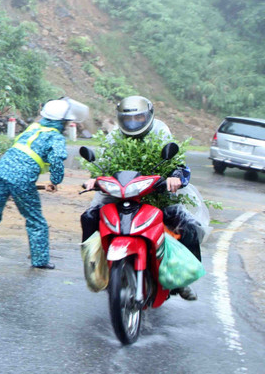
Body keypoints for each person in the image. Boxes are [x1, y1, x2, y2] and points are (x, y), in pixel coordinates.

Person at [80, 95, 202, 301]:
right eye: (128, 119)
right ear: (120, 119)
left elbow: (180, 166)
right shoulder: (113, 138)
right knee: (89, 217)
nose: (133, 123)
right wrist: (94, 179)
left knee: (187, 225)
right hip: (119, 194)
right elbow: (103, 164)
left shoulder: (160, 133)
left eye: (138, 118)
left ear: (149, 116)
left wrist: (175, 177)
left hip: (156, 193)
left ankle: (183, 280)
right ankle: (97, 268)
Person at [0, 97, 89, 269]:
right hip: (22, 179)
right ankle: (40, 260)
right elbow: (56, 160)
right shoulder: (55, 137)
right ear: (62, 122)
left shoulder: (33, 128)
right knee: (35, 220)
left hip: (2, 171)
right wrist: (55, 180)